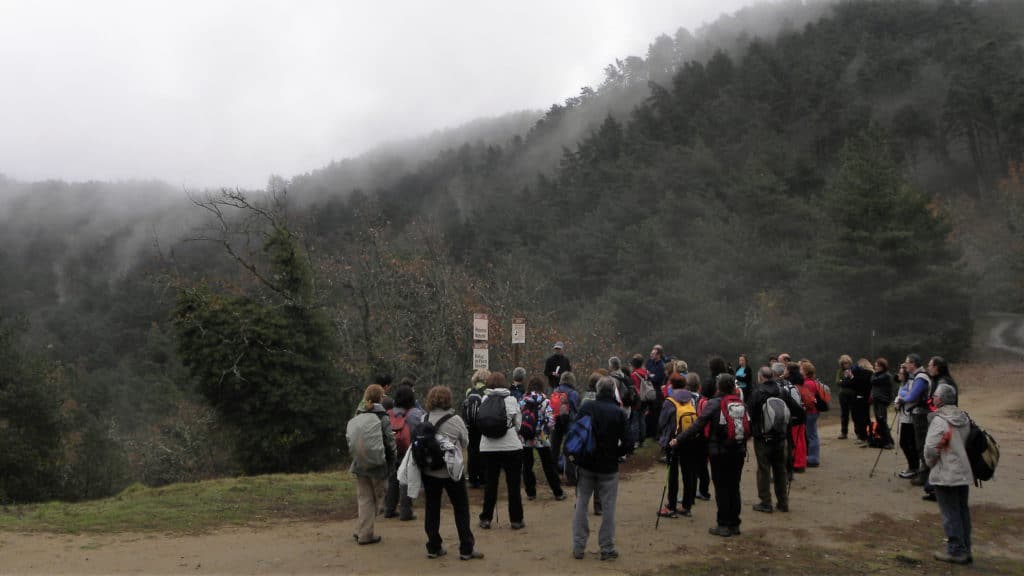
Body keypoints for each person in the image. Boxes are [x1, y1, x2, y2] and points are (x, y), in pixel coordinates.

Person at [671, 374, 747, 537]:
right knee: (734, 487)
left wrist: (678, 439)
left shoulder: (714, 404)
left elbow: (697, 425)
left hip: (719, 451)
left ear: (718, 387)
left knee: (721, 488)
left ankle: (723, 524)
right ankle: (735, 523)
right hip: (738, 450)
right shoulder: (739, 402)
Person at [571, 376, 632, 561]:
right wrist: (617, 452)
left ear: (597, 390)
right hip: (608, 465)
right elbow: (629, 442)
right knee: (608, 508)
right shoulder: (618, 412)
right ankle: (607, 547)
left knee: (581, 503)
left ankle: (578, 546)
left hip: (586, 462)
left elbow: (576, 431)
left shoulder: (587, 407)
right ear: (613, 390)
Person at [420, 386, 484, 560]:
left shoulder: (424, 418)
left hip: (429, 471)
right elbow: (465, 443)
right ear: (448, 399)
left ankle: (433, 546)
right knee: (461, 508)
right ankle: (466, 548)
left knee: (432, 508)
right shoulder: (456, 420)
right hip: (452, 471)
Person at [923, 383, 973, 565]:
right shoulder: (964, 417)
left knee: (950, 512)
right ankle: (965, 548)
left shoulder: (940, 420)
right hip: (963, 471)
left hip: (946, 473)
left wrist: (931, 464)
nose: (933, 398)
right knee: (961, 511)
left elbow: (930, 449)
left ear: (941, 399)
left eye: (935, 395)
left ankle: (956, 550)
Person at [349, 384, 396, 545]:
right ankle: (365, 534)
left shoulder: (358, 413)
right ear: (380, 398)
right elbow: (390, 441)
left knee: (364, 498)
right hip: (378, 464)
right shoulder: (382, 415)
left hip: (359, 462)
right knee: (376, 499)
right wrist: (393, 460)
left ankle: (360, 530)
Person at [478, 372, 525, 530]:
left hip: (487, 448)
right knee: (513, 485)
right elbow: (518, 424)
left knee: (491, 484)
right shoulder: (511, 400)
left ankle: (486, 518)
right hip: (511, 447)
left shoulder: (484, 399)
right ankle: (516, 520)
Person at [749, 366, 789, 513]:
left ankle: (766, 502)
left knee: (763, 470)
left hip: (763, 437)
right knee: (780, 469)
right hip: (780, 436)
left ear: (760, 377)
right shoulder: (782, 391)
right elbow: (793, 410)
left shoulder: (757, 393)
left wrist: (752, 432)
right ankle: (783, 502)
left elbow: (751, 414)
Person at [657, 373, 697, 517]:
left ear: (671, 385)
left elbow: (662, 422)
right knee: (688, 472)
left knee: (672, 473)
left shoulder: (670, 401)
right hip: (688, 438)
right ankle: (686, 506)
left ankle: (671, 506)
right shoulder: (691, 399)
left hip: (673, 440)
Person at [520, 376, 566, 501]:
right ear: (541, 387)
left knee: (527, 465)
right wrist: (547, 431)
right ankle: (557, 492)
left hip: (526, 436)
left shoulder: (523, 400)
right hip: (541, 437)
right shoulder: (545, 401)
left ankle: (531, 493)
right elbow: (551, 421)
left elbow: (519, 419)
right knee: (548, 465)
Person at [384, 384, 425, 520]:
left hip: (392, 449)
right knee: (405, 479)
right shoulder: (415, 414)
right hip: (408, 450)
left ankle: (389, 509)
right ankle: (405, 511)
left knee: (393, 479)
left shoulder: (389, 413)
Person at [896, 354, 932, 487]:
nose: (904, 365)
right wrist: (904, 395)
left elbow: (912, 396)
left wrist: (902, 397)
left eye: (907, 363)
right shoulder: (915, 377)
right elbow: (907, 392)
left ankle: (924, 475)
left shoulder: (921, 377)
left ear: (913, 364)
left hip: (921, 414)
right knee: (916, 444)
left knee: (920, 445)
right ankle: (922, 474)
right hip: (915, 413)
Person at [550, 371, 581, 477]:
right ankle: (570, 473)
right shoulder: (573, 393)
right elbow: (576, 410)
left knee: (554, 447)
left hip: (556, 421)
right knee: (569, 448)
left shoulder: (555, 391)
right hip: (569, 422)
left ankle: (553, 472)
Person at [895, 362, 921, 479]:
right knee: (907, 443)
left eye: (901, 373)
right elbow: (900, 396)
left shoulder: (911, 382)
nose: (899, 375)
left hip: (910, 417)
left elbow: (910, 396)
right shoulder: (903, 383)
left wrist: (901, 398)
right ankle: (913, 467)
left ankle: (914, 468)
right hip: (905, 416)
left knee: (907, 443)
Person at [464, 369, 490, 488]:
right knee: (483, 450)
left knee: (472, 450)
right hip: (482, 425)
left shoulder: (469, 391)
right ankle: (483, 478)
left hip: (470, 425)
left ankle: (472, 478)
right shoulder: (487, 391)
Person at [798, 360, 822, 467]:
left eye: (801, 369)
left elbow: (808, 400)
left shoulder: (807, 384)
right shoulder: (812, 382)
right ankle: (813, 456)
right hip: (814, 412)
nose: (800, 371)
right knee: (812, 434)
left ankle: (813, 458)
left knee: (811, 435)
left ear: (806, 371)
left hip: (810, 412)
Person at [870, 358, 895, 449]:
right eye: (875, 365)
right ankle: (887, 441)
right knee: (880, 421)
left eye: (877, 366)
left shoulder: (886, 376)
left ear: (882, 367)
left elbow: (873, 380)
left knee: (882, 421)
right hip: (877, 401)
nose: (875, 367)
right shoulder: (879, 375)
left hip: (882, 401)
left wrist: (873, 373)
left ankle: (889, 442)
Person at [644, 345, 667, 440]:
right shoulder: (650, 362)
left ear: (659, 355)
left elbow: (657, 379)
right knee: (649, 412)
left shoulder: (661, 366)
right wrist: (650, 376)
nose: (651, 355)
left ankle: (656, 434)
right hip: (649, 390)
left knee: (656, 413)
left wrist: (650, 376)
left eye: (653, 354)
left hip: (657, 392)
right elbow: (647, 373)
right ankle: (649, 432)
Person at [628, 354, 649, 447]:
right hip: (645, 398)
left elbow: (635, 388)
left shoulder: (634, 374)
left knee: (635, 420)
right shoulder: (645, 373)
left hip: (637, 399)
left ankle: (635, 440)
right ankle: (642, 440)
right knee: (642, 419)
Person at [836, 355, 854, 439]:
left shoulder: (853, 370)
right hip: (843, 394)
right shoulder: (840, 371)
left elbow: (854, 381)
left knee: (855, 414)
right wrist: (845, 380)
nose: (845, 365)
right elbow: (837, 381)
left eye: (847, 363)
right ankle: (844, 432)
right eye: (844, 363)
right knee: (844, 414)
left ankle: (858, 433)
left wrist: (844, 381)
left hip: (852, 394)